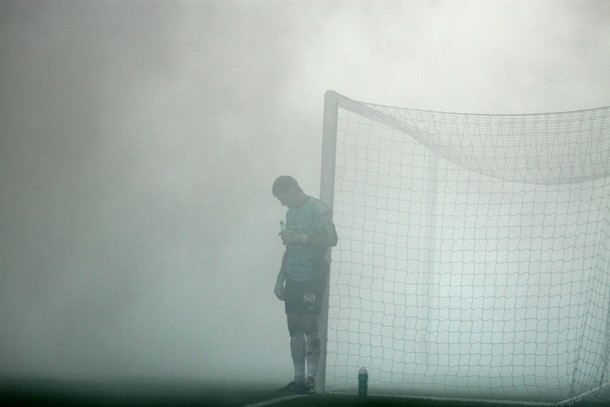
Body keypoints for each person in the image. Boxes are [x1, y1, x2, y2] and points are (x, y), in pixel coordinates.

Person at [272, 176, 337, 394]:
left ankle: (311, 380)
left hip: (313, 273)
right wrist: (280, 277)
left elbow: (331, 238)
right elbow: (289, 246)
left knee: (310, 325)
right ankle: (297, 379)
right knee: (293, 326)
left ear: (292, 190)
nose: (282, 204)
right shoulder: (290, 214)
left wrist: (300, 238)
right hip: (293, 274)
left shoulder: (318, 209)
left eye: (283, 198)